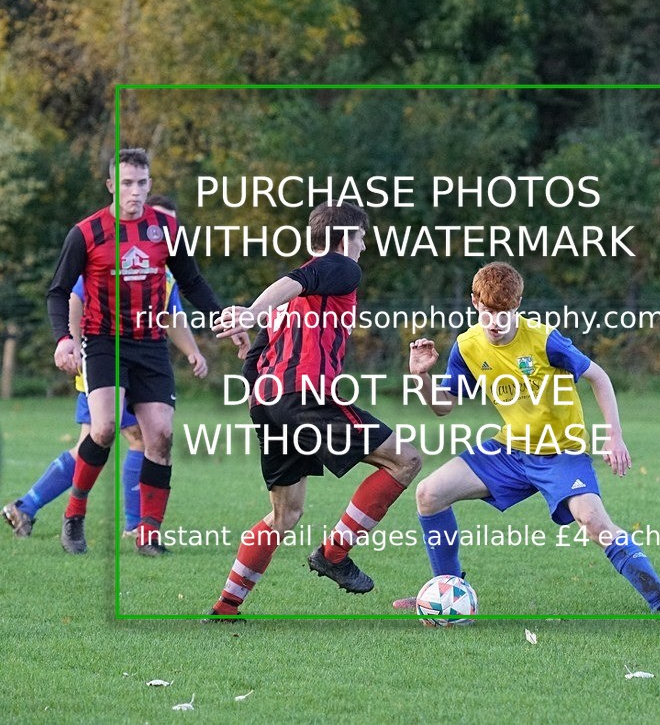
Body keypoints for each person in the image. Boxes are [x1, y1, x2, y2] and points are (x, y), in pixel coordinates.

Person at [392, 262, 660, 615]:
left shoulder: (545, 340)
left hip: (561, 451)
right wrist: (421, 377)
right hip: (509, 450)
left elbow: (599, 377)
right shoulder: (467, 346)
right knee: (429, 494)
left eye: (504, 313)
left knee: (593, 521)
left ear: (518, 306)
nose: (494, 323)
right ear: (474, 303)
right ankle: (446, 594)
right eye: (486, 313)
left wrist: (614, 436)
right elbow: (443, 408)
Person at [207, 201, 421, 618]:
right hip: (303, 399)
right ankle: (334, 554)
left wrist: (253, 328)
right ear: (344, 239)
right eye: (360, 237)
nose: (363, 246)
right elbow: (301, 278)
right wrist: (250, 313)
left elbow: (252, 364)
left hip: (266, 404)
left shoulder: (285, 300)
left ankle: (227, 606)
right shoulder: (340, 266)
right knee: (406, 460)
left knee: (284, 515)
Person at [46, 149, 247, 556]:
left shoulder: (167, 229)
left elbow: (192, 283)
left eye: (141, 183)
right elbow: (58, 290)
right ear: (111, 186)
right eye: (126, 183)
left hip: (150, 343)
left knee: (161, 435)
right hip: (103, 341)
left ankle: (149, 535)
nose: (134, 191)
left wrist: (225, 320)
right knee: (102, 430)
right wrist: (63, 340)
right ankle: (74, 516)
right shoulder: (86, 233)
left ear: (150, 184)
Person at [3, 198, 208, 538]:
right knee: (136, 437)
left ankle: (25, 506)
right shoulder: (113, 254)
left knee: (96, 440)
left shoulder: (164, 273)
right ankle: (131, 525)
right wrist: (74, 344)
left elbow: (171, 317)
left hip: (138, 360)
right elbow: (73, 297)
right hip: (102, 359)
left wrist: (193, 352)